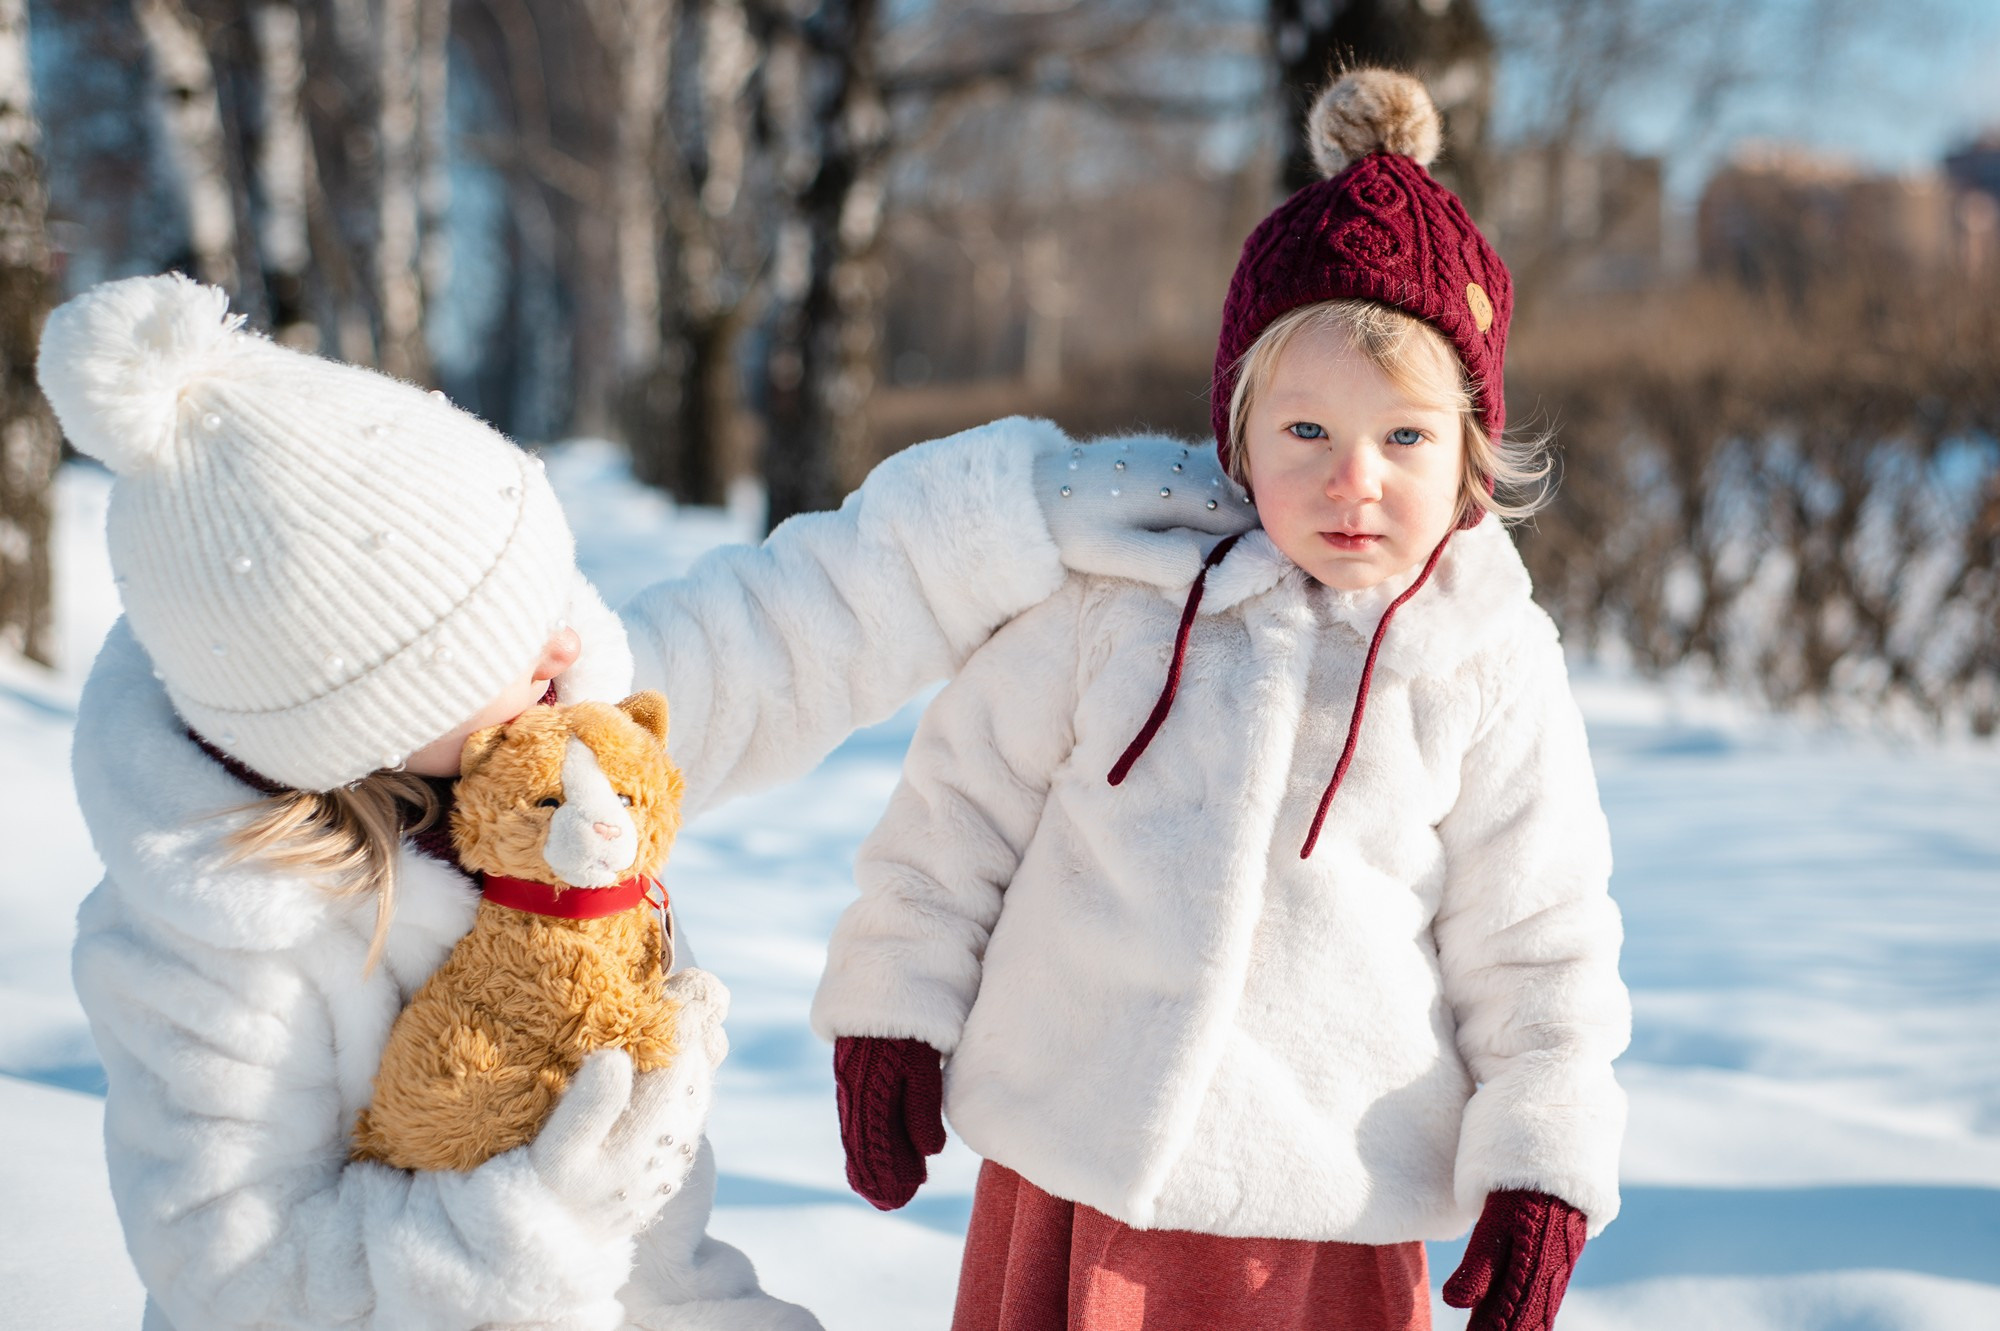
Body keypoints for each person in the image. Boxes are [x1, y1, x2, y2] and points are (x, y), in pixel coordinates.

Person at [43, 274, 1251, 1331]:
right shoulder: (202, 950)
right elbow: (236, 1271)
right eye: (501, 645)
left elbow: (782, 634)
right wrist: (528, 1212)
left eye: (540, 593)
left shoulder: (543, 731)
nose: (564, 637)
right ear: (357, 725)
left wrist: (1010, 518)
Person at [812, 70, 1630, 1331]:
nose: (1352, 478)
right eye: (1305, 429)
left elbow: (1538, 934)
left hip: (1323, 1200)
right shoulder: (1119, 598)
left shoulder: (1483, 662)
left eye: (1403, 438)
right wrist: (892, 1007)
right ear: (1238, 429)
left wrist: (1540, 1159)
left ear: (1471, 446)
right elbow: (954, 811)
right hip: (1076, 1162)